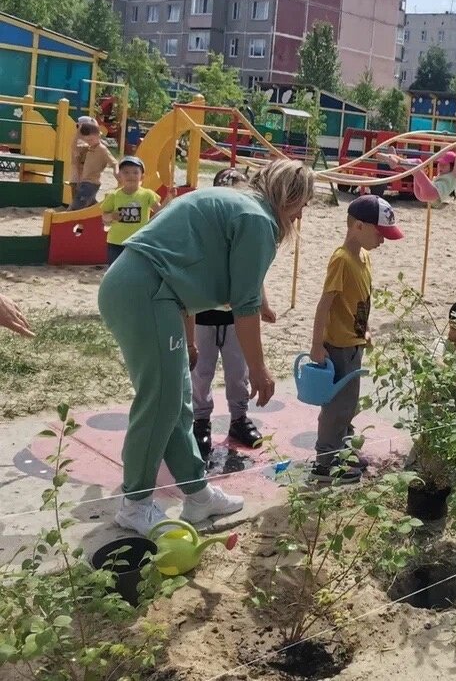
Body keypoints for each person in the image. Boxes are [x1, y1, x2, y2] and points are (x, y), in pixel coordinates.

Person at [98, 158, 316, 535]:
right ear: (292, 197)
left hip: (145, 289)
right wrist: (259, 370)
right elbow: (243, 308)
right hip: (148, 292)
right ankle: (135, 504)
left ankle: (198, 496)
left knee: (176, 404)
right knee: (159, 402)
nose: (303, 212)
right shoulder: (258, 219)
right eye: (304, 202)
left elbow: (216, 273)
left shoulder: (241, 203)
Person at [309, 194, 403, 484]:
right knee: (336, 406)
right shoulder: (342, 260)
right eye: (380, 233)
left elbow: (358, 302)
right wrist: (316, 345)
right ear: (358, 226)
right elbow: (326, 304)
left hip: (354, 343)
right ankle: (325, 463)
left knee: (349, 403)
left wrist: (365, 330)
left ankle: (342, 449)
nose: (383, 240)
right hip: (336, 347)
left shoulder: (364, 257)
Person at [190, 167, 278, 461]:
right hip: (203, 313)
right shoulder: (206, 231)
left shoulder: (246, 231)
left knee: (237, 370)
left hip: (236, 318)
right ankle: (200, 421)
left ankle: (239, 420)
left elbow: (252, 275)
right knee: (201, 371)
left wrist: (263, 304)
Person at [100, 156, 164, 265]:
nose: (131, 176)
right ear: (119, 176)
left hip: (139, 241)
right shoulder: (114, 196)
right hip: (116, 241)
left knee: (137, 269)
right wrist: (111, 216)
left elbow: (160, 212)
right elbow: (104, 218)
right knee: (116, 271)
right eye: (126, 172)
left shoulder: (147, 194)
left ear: (142, 177)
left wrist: (169, 198)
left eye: (135, 172)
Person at [70, 119, 116, 210]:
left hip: (90, 182)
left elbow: (113, 162)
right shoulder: (89, 147)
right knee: (88, 203)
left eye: (90, 139)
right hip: (83, 180)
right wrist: (78, 133)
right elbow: (74, 147)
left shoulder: (101, 149)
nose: (89, 141)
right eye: (87, 140)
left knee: (77, 205)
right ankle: (98, 212)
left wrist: (117, 172)